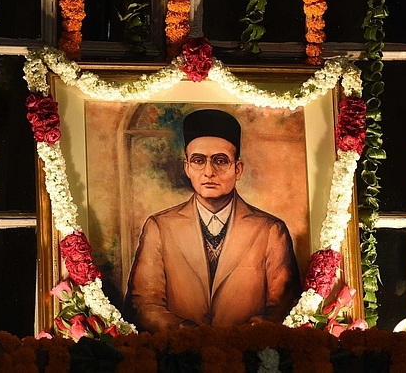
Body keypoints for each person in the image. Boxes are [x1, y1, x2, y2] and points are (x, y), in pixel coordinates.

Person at [124, 109, 301, 333]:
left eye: (220, 161)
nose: (209, 172)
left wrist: (240, 339)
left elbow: (284, 308)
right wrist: (185, 331)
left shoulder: (270, 230)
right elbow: (143, 304)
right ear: (187, 167)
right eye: (198, 161)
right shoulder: (160, 227)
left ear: (238, 169)